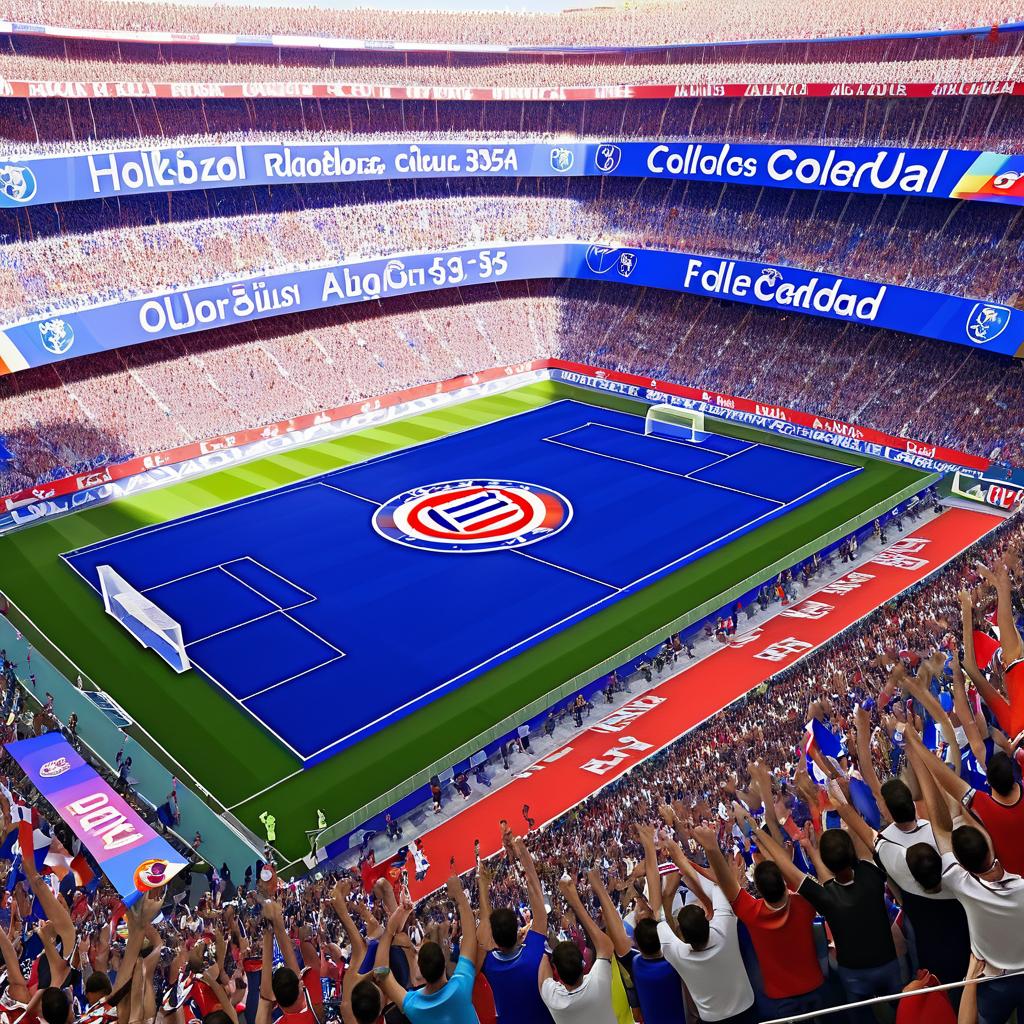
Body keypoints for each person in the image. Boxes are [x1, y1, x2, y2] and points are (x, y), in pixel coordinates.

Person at [649, 810, 757, 1023]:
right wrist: (702, 849)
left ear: (684, 936)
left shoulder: (677, 952)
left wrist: (654, 853)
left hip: (712, 1020)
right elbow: (719, 885)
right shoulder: (725, 927)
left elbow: (657, 914)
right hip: (748, 1011)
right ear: (708, 922)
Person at [375, 876, 479, 1023]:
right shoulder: (460, 987)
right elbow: (470, 937)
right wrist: (459, 894)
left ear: (421, 971)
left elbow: (381, 972)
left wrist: (396, 917)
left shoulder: (413, 1006)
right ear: (444, 963)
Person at [478, 838, 553, 1024]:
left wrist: (484, 887)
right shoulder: (534, 952)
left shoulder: (489, 965)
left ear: (494, 939)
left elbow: (484, 935)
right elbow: (540, 910)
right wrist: (522, 853)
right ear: (518, 928)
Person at [538, 875, 616, 1024]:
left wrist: (547, 950)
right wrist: (573, 899)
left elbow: (543, 972)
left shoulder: (554, 999)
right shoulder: (599, 981)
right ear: (583, 964)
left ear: (558, 974)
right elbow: (606, 945)